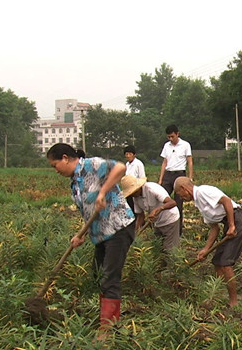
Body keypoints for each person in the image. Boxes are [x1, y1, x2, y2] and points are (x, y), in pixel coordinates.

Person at [47, 143, 136, 339]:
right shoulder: (74, 184)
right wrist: (80, 235)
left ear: (65, 158)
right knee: (97, 275)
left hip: (118, 227)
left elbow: (120, 168)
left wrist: (103, 191)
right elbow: (88, 211)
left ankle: (107, 329)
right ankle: (108, 318)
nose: (55, 170)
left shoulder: (92, 164)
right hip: (100, 233)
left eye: (55, 165)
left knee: (109, 277)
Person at [173, 176, 242, 308]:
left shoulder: (203, 191)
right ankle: (218, 294)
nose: (182, 198)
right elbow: (214, 228)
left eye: (180, 195)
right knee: (217, 261)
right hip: (228, 224)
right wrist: (205, 249)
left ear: (184, 189)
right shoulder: (199, 203)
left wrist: (232, 225)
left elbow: (226, 201)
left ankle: (234, 302)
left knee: (225, 263)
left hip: (238, 222)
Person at [121, 175, 180, 253]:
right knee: (158, 248)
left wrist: (158, 209)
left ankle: (172, 265)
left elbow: (172, 203)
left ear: (137, 188)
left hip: (169, 219)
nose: (131, 195)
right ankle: (163, 265)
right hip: (156, 223)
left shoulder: (152, 189)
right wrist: (136, 231)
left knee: (170, 249)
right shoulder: (135, 197)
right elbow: (140, 215)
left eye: (132, 192)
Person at [158, 125, 193, 234]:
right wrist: (160, 179)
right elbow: (164, 162)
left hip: (180, 175)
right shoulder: (166, 146)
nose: (171, 139)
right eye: (168, 137)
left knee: (178, 203)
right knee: (162, 200)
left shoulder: (185, 145)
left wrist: (190, 178)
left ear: (177, 134)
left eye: (172, 136)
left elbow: (190, 162)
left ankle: (178, 231)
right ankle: (161, 228)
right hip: (168, 175)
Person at [123, 145, 146, 214]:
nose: (128, 156)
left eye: (130, 154)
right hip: (129, 189)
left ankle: (140, 223)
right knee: (130, 207)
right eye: (126, 154)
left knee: (138, 208)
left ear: (134, 154)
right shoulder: (127, 164)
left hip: (136, 189)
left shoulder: (138, 164)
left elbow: (142, 177)